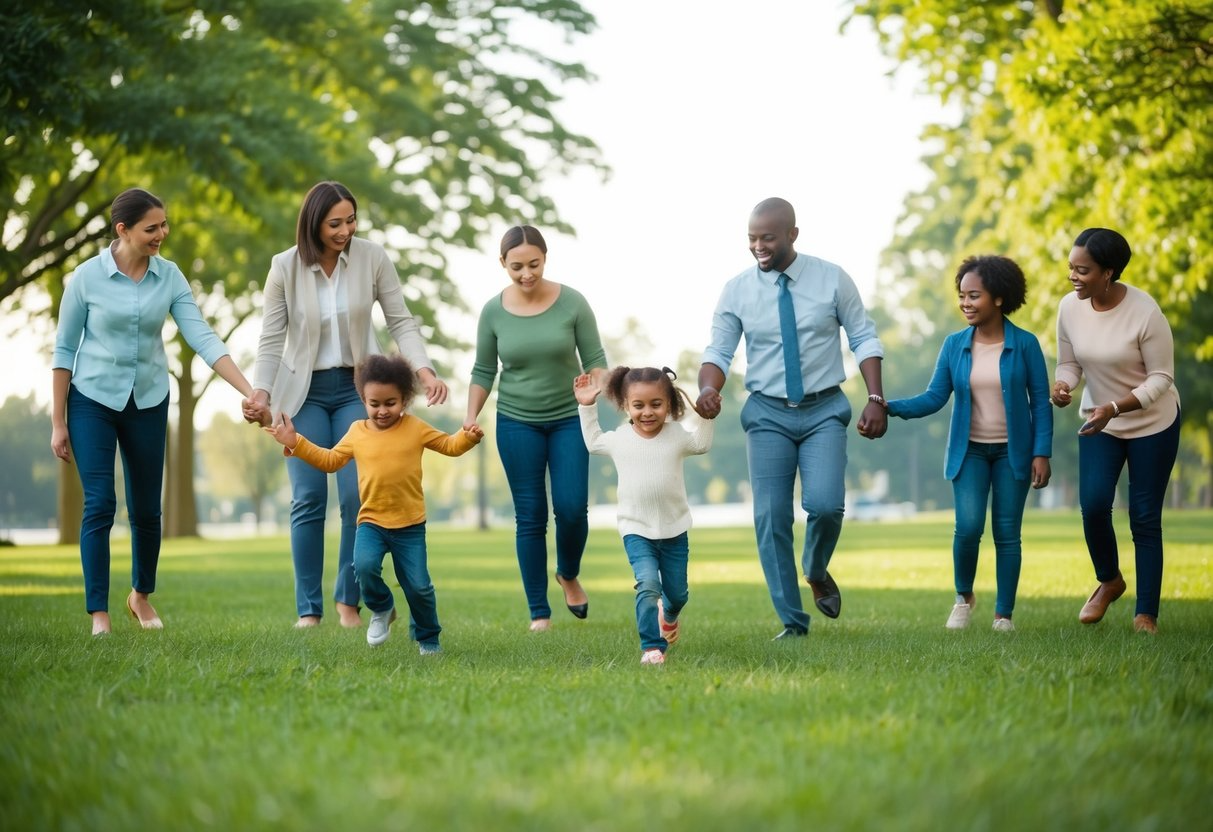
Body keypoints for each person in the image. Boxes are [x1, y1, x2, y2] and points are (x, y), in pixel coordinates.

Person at [50, 187, 258, 637]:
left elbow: (201, 337)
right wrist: (57, 421)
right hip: (92, 400)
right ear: (123, 230)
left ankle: (140, 595)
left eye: (164, 225)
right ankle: (98, 613)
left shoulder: (170, 277)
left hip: (147, 399)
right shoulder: (85, 279)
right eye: (152, 228)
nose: (161, 234)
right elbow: (64, 350)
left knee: (147, 509)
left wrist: (249, 389)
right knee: (101, 502)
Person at [247, 181, 449, 629]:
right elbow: (271, 337)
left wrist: (424, 370)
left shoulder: (372, 257)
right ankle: (308, 609)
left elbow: (400, 319)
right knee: (308, 497)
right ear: (313, 223)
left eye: (351, 220)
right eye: (335, 223)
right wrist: (261, 391)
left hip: (360, 390)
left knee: (359, 497)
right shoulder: (284, 266)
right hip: (303, 392)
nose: (345, 230)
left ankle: (348, 601)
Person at [696, 197, 887, 640]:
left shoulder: (832, 279)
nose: (758, 246)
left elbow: (863, 336)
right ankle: (792, 622)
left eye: (768, 237)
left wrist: (875, 396)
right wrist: (709, 388)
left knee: (824, 505)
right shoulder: (737, 289)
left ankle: (816, 568)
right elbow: (719, 350)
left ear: (792, 235)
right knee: (770, 516)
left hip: (823, 410)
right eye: (751, 238)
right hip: (766, 413)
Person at [265, 354, 482, 653]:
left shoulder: (416, 428)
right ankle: (382, 607)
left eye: (390, 403)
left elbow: (449, 445)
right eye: (374, 404)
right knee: (365, 567)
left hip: (410, 525)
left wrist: (468, 437)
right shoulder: (357, 432)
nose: (381, 411)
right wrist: (295, 442)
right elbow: (329, 461)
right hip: (371, 522)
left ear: (405, 400)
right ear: (363, 399)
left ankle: (428, 638)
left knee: (418, 586)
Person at [886, 256, 1053, 632]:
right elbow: (934, 397)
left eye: (974, 295)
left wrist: (1042, 452)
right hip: (970, 452)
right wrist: (889, 407)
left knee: (1007, 533)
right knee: (968, 527)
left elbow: (1040, 403)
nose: (965, 303)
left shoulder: (1025, 345)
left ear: (998, 297)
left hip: (1014, 453)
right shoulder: (954, 345)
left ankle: (1003, 615)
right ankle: (963, 597)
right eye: (961, 296)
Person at [465, 225, 609, 632]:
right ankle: (538, 612)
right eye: (516, 267)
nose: (526, 274)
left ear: (545, 259)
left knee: (571, 507)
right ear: (502, 264)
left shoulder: (572, 303)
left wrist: (598, 387)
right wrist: (471, 415)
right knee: (530, 516)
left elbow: (596, 357)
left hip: (568, 418)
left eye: (534, 264)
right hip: (515, 422)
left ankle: (567, 573)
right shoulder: (493, 311)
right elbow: (483, 369)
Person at [1052, 228, 1181, 635]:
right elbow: (1070, 363)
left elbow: (1161, 377)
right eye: (1071, 267)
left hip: (1151, 421)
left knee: (1144, 517)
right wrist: (1064, 385)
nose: (1073, 276)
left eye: (1083, 270)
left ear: (1108, 273)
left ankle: (1146, 614)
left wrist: (1116, 407)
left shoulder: (1145, 312)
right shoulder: (1069, 309)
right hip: (1099, 420)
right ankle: (1109, 579)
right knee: (1092, 505)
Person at [574, 367, 714, 665]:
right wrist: (586, 405)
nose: (647, 412)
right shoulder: (620, 439)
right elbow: (593, 442)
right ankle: (652, 647)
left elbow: (701, 444)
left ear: (670, 404)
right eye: (638, 405)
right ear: (626, 405)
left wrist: (705, 416)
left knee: (678, 595)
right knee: (648, 584)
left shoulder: (676, 435)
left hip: (674, 531)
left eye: (656, 404)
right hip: (636, 531)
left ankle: (670, 614)